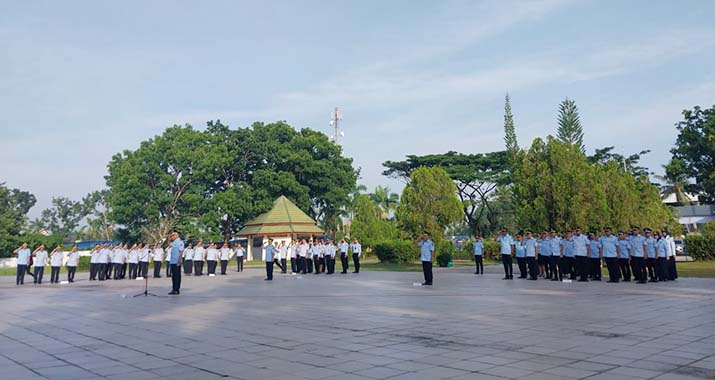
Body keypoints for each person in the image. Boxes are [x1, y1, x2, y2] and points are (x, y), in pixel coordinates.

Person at [168, 231, 184, 295]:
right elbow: (169, 245)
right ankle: (174, 289)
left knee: (177, 276)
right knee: (173, 276)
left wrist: (179, 261)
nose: (172, 236)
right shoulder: (174, 242)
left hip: (177, 261)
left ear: (177, 235)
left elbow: (181, 252)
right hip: (172, 261)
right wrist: (169, 240)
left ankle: (176, 289)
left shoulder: (180, 242)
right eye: (172, 235)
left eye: (173, 235)